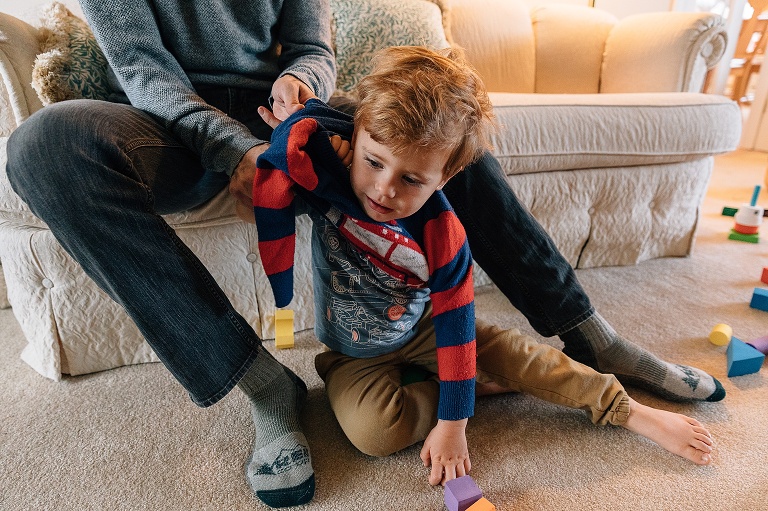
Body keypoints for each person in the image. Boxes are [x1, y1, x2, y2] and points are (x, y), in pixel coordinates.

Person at [4, 0, 721, 507]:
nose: (386, 187)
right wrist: (236, 152)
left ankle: (592, 338)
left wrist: (303, 85)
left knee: (439, 134)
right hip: (173, 120)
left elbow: (313, 46)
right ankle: (263, 387)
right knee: (41, 149)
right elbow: (144, 73)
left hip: (289, 115)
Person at [250, 45, 715, 487]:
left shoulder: (444, 235)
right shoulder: (332, 174)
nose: (384, 189)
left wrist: (454, 423)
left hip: (428, 326)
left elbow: (455, 325)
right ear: (355, 138)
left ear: (446, 177)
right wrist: (300, 131)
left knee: (529, 359)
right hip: (352, 354)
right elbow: (280, 163)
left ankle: (628, 409)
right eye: (374, 162)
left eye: (411, 179)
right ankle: (475, 386)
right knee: (374, 435)